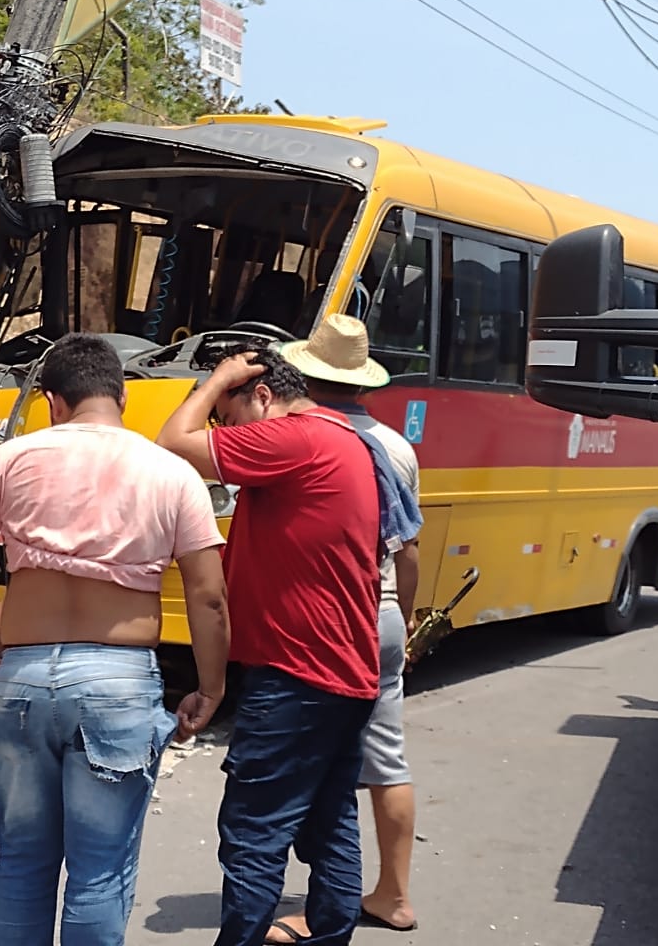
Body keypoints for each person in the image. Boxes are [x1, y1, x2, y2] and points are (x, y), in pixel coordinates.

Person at [0, 332, 230, 946]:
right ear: (121, 397)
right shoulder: (171, 472)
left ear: (52, 402)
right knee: (99, 869)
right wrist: (211, 687)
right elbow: (208, 596)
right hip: (117, 681)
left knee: (22, 860)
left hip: (24, 677)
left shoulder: (10, 459)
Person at [157, 335, 388, 946]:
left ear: (262, 395)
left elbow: (172, 445)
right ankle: (329, 934)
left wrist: (214, 380)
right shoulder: (343, 439)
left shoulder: (295, 438)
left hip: (296, 675)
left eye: (228, 417)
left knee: (253, 832)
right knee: (329, 822)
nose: (226, 432)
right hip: (342, 672)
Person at [267, 315, 423, 941]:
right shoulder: (397, 447)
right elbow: (409, 551)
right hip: (383, 614)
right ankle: (395, 895)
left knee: (314, 765)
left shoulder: (300, 438)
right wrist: (404, 618)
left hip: (326, 620)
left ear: (304, 374)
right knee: (387, 758)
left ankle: (320, 906)